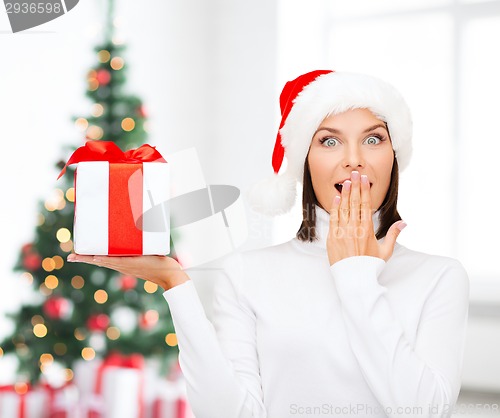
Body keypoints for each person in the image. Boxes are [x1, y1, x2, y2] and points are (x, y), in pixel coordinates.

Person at [68, 70, 470, 418]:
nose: (353, 159)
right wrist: (176, 285)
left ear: (394, 155)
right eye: (329, 141)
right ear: (304, 161)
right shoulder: (247, 274)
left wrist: (357, 276)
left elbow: (424, 411)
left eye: (373, 139)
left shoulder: (439, 277)